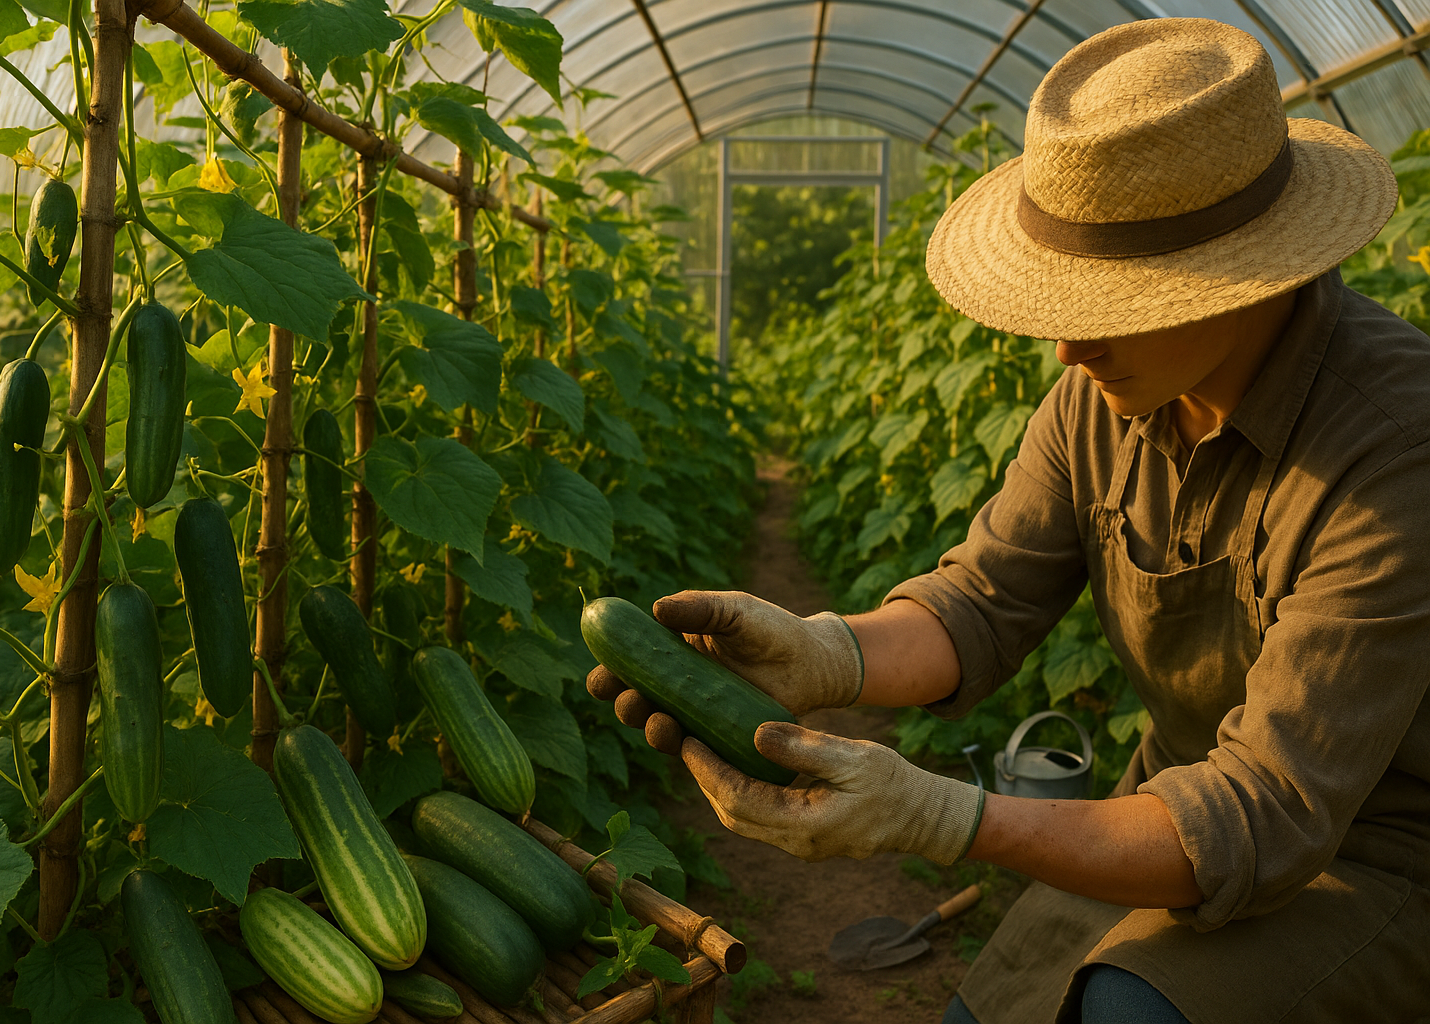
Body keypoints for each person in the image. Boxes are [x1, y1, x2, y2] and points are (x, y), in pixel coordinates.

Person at [586, 18, 1430, 1024]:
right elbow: (981, 603)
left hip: (1378, 861)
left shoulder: (1397, 443)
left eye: (1112, 300)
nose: (1068, 347)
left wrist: (944, 815)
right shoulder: (1102, 397)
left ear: (1243, 270)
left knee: (1124, 1010)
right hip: (1163, 812)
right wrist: (826, 654)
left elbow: (1269, 814)